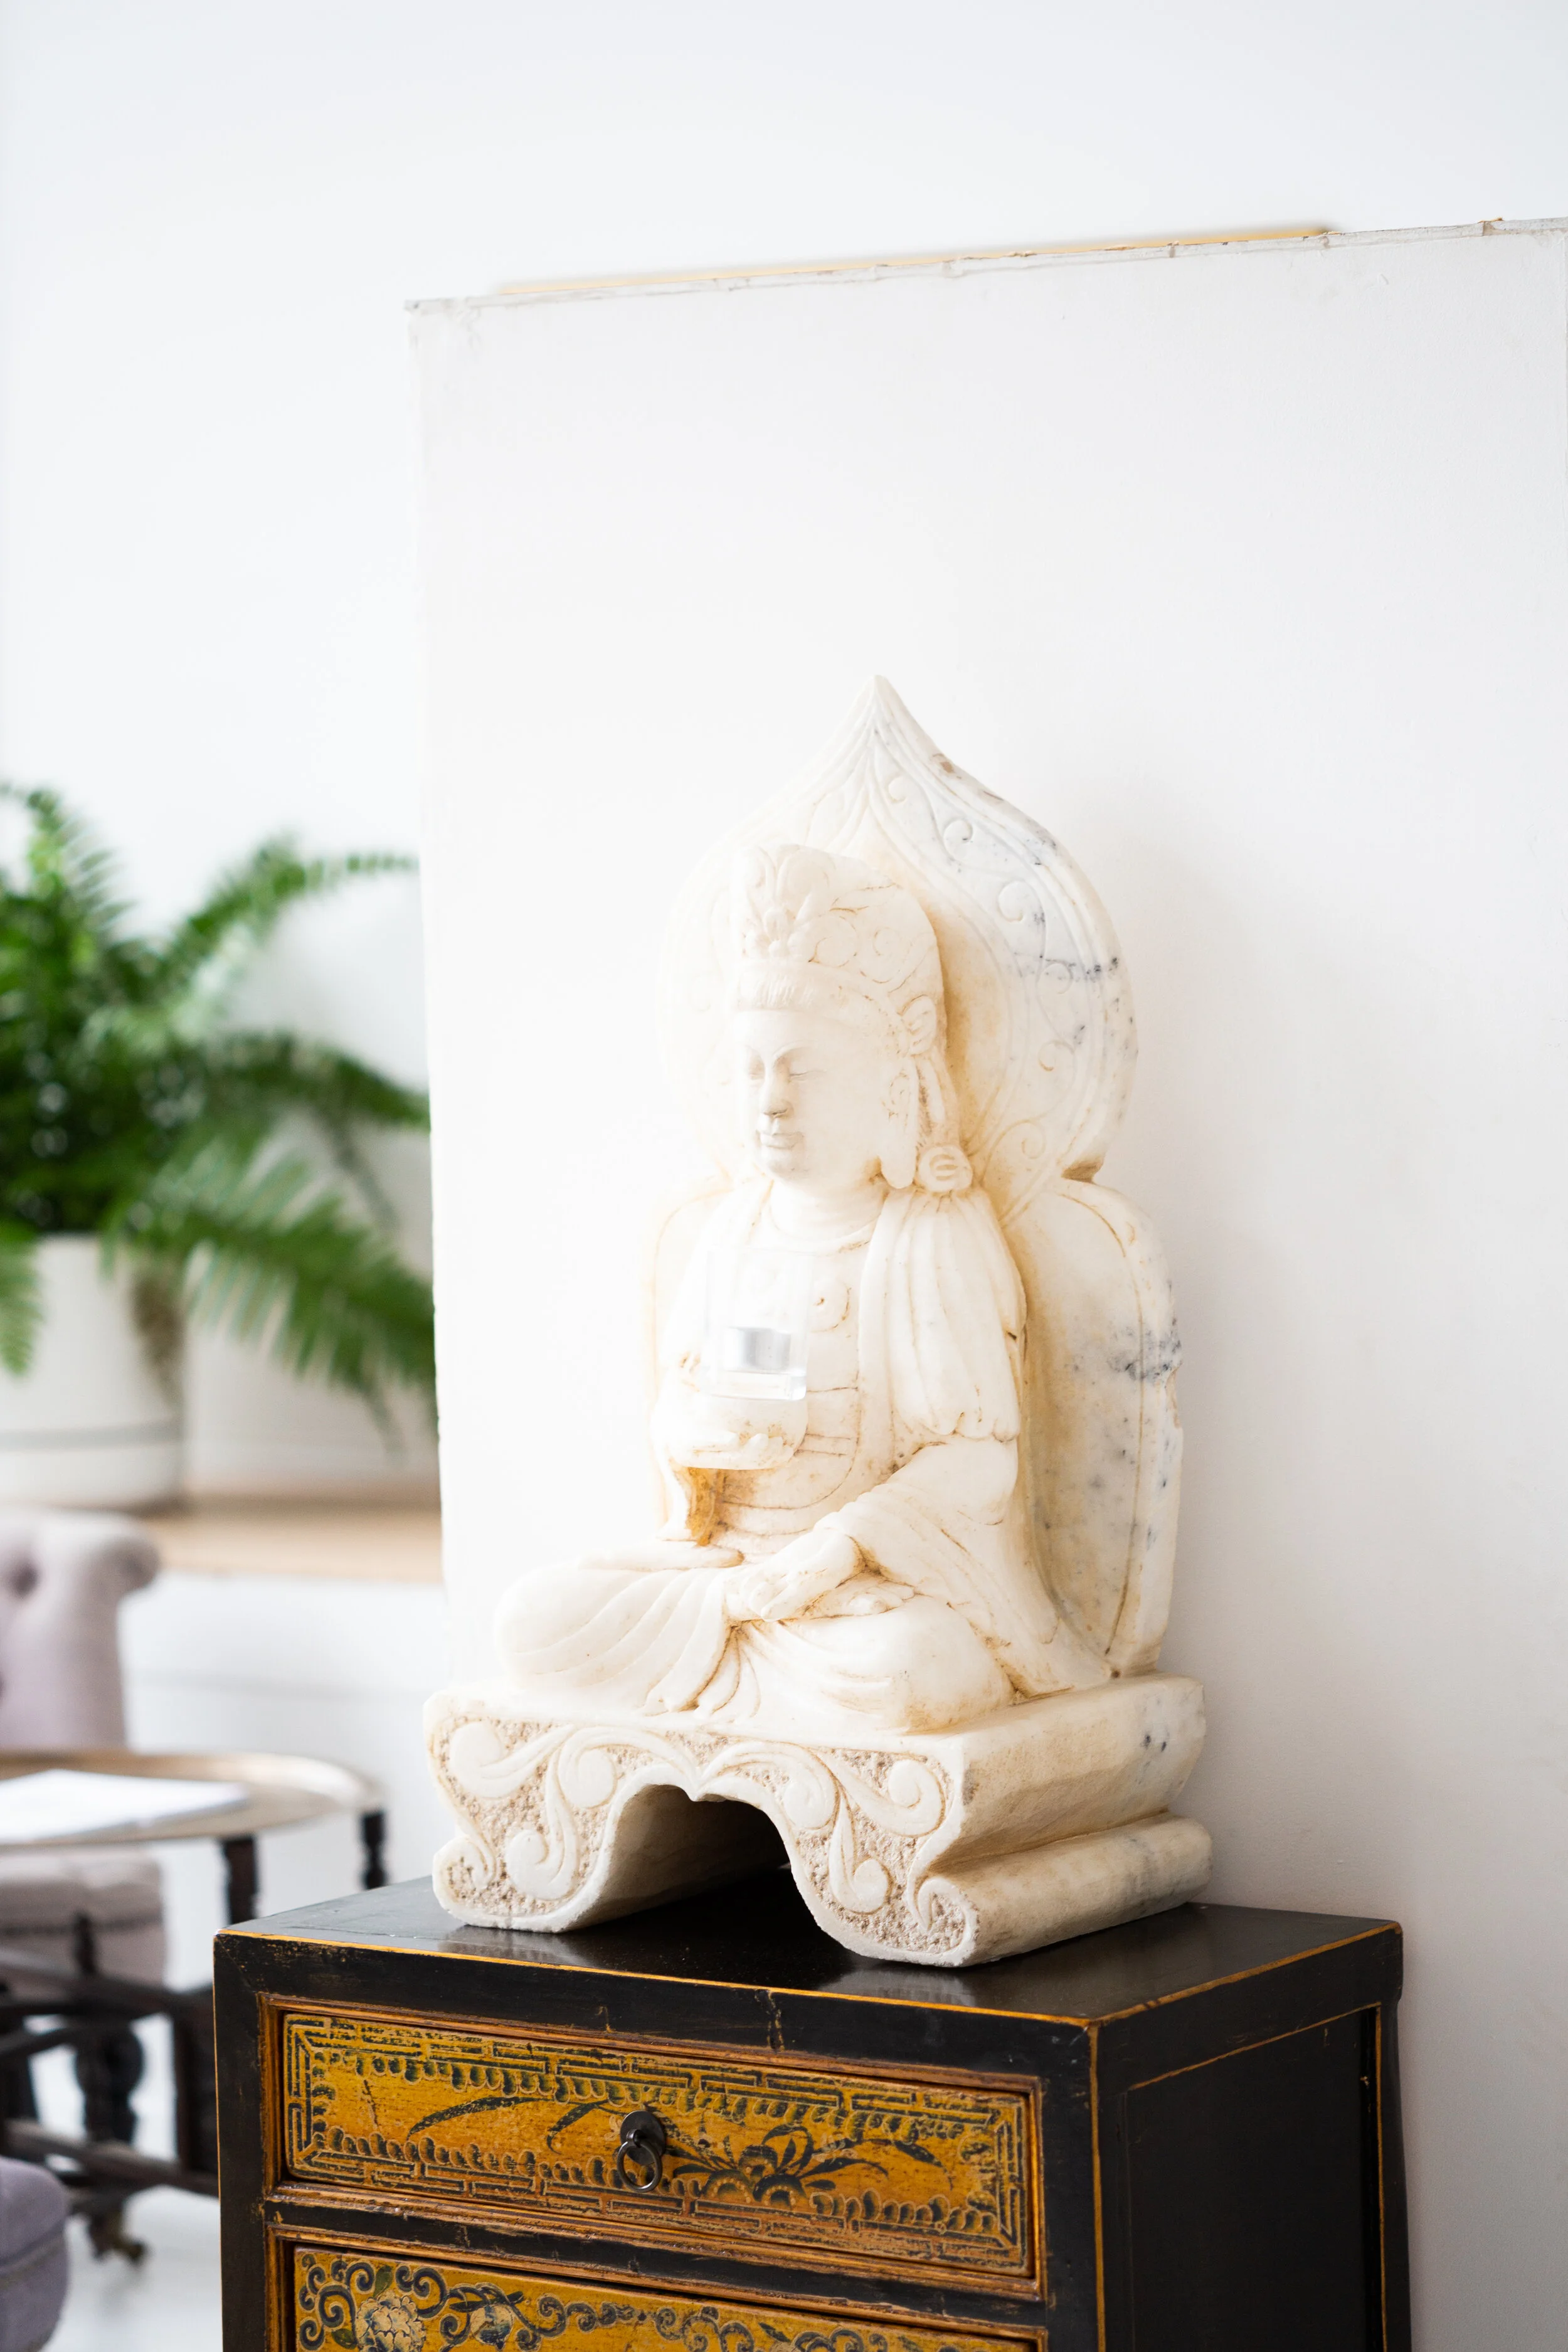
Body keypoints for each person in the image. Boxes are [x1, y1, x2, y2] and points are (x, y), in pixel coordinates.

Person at [495, 844, 1106, 1734]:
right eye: (752, 1069)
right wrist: (695, 1439)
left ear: (893, 1086)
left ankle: (748, 1663)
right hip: (727, 1575)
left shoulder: (925, 1238)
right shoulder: (730, 1231)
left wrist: (838, 1548)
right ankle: (733, 1647)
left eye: (803, 1069)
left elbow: (977, 1461)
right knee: (532, 1622)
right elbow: (690, 1406)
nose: (771, 1101)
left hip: (861, 1593)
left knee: (899, 1675)